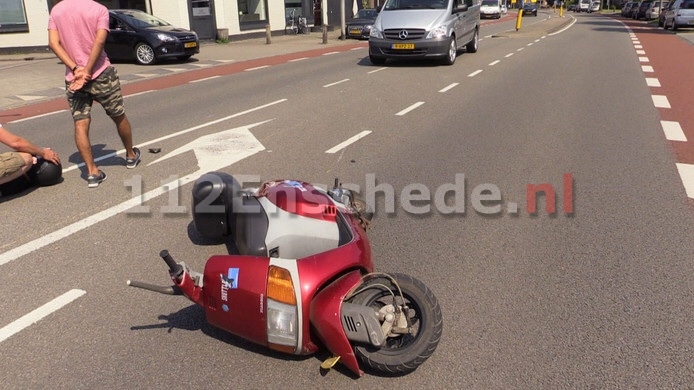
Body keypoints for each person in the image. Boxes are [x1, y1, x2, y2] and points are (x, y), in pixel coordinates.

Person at [48, 0, 141, 188]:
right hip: (101, 73)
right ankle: (131, 155)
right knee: (118, 115)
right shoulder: (99, 10)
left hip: (73, 78)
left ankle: (92, 172)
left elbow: (53, 43)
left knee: (80, 123)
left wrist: (76, 68)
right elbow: (99, 41)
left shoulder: (57, 10)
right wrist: (87, 70)